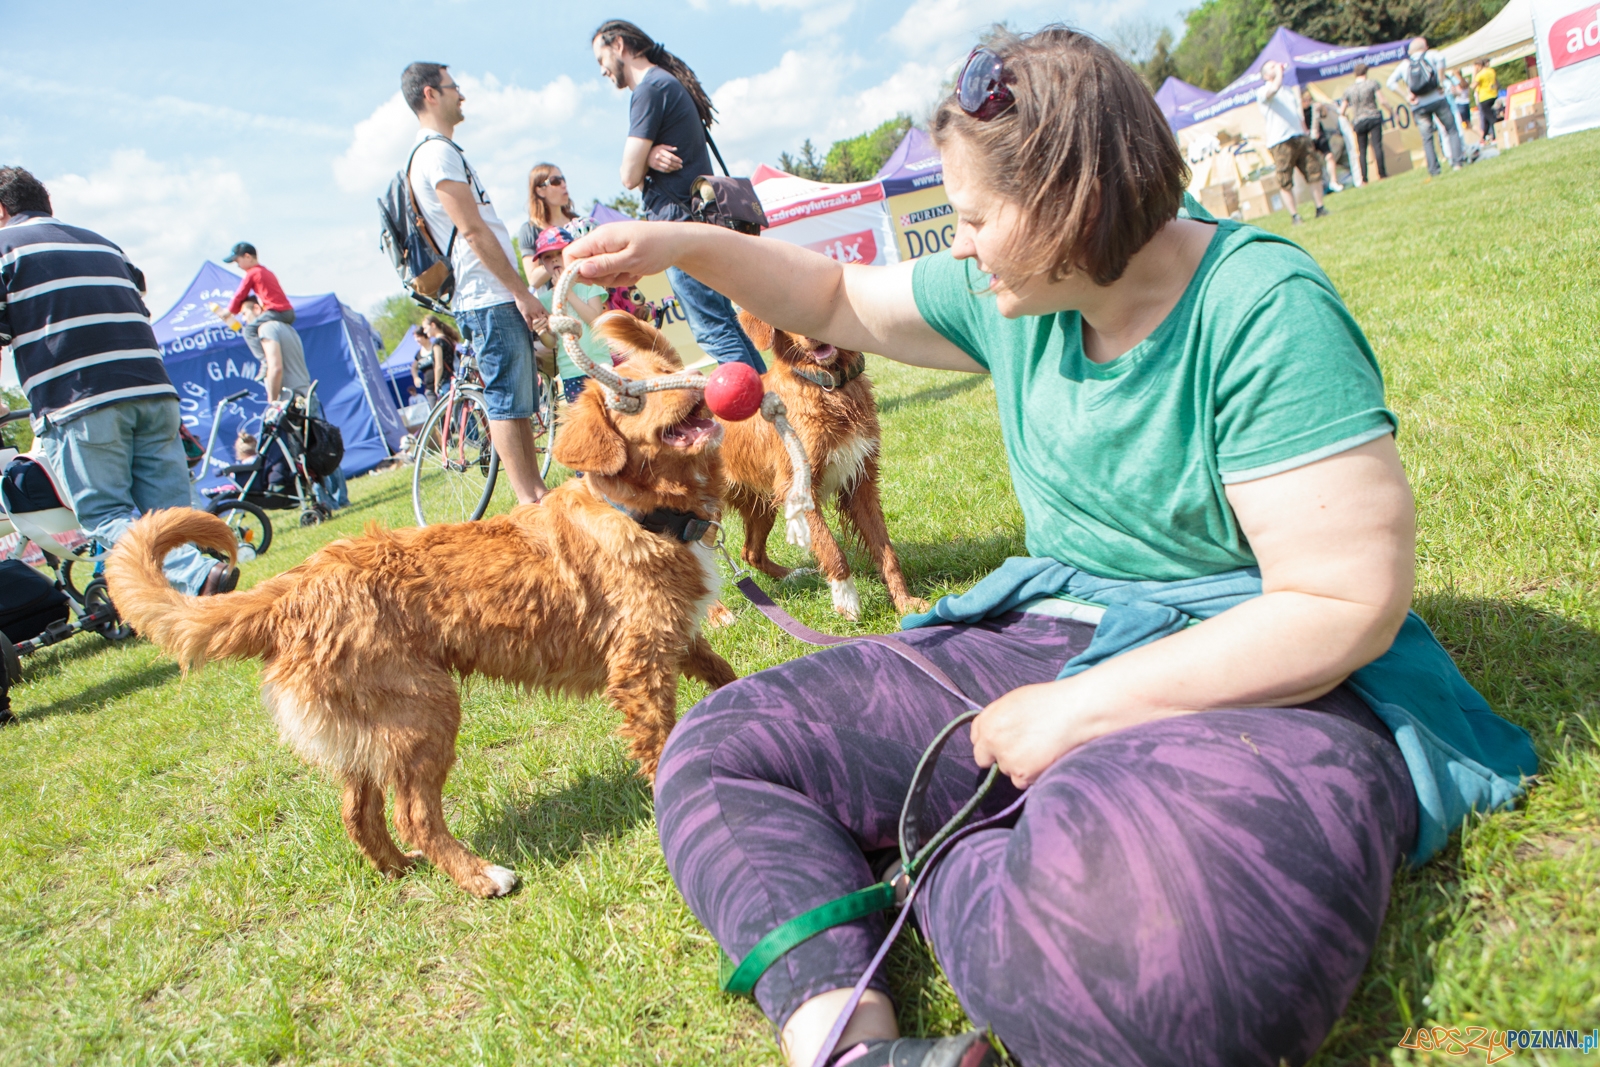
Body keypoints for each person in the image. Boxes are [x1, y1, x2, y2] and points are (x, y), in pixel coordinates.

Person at [564, 26, 1538, 1067]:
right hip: (1049, 629)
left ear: (1068, 202)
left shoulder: (1258, 307)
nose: (962, 245)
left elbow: (1341, 604)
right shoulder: (1017, 297)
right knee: (715, 749)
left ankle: (946, 852)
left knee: (1169, 993)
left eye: (976, 218)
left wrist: (1080, 710)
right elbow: (834, 296)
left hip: (1264, 674)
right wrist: (676, 248)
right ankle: (852, 1046)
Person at [0, 166, 233, 595]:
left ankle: (198, 576)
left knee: (105, 513)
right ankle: (203, 603)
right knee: (168, 513)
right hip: (153, 391)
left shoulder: (5, 249)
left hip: (79, 400)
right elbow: (137, 302)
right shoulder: (104, 244)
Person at [400, 61, 550, 505]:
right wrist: (520, 292)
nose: (461, 95)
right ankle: (529, 497)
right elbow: (472, 230)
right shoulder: (435, 153)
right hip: (486, 293)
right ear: (431, 94)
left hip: (489, 292)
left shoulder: (440, 150)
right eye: (453, 87)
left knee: (518, 397)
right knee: (506, 397)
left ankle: (535, 493)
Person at [590, 19, 765, 372]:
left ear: (619, 45)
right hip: (696, 221)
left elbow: (627, 175)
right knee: (724, 323)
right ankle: (773, 409)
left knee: (713, 330)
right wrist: (650, 156)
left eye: (601, 59)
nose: (602, 71)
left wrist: (645, 159)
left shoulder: (649, 90)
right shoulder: (666, 83)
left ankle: (760, 421)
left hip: (678, 224)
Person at [236, 298, 347, 509]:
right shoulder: (288, 328)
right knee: (324, 448)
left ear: (258, 309)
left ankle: (325, 502)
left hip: (291, 400)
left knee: (305, 456)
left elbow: (275, 366)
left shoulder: (266, 328)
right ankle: (340, 498)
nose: (243, 320)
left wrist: (273, 399)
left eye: (244, 314)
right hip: (306, 393)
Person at [529, 226, 611, 403]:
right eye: (548, 257)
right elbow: (552, 342)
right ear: (543, 264)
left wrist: (568, 293)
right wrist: (542, 331)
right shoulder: (545, 300)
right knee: (585, 426)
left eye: (560, 253)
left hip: (600, 365)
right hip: (571, 371)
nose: (555, 260)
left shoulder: (589, 285)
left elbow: (595, 321)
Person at [1257, 61, 1326, 223]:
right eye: (1272, 67)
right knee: (1285, 179)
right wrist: (1280, 71)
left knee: (1313, 171)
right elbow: (1274, 89)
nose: (1278, 67)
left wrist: (1305, 132)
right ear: (1266, 75)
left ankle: (1320, 208)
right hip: (1280, 141)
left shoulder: (1288, 91)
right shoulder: (1263, 91)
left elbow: (1297, 114)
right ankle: (1295, 216)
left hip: (1299, 137)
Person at [1388, 38, 1463, 176]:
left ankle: (1434, 170)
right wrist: (1440, 82)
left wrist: (1406, 96)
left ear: (1410, 51)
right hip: (1437, 99)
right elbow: (1441, 59)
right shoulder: (1431, 55)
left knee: (1427, 138)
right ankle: (1457, 163)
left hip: (1419, 106)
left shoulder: (1405, 64)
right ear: (1425, 47)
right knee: (1451, 130)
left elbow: (1390, 82)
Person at [222, 242, 297, 368]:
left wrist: (229, 311)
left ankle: (265, 360)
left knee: (249, 331)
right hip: (287, 311)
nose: (238, 266)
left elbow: (241, 293)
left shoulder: (252, 273)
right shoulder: (266, 271)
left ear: (247, 257)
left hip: (277, 311)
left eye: (238, 261)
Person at [517, 163, 586, 290]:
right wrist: (558, 258)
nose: (564, 185)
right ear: (540, 190)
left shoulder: (578, 222)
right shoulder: (530, 230)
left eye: (563, 179)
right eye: (555, 181)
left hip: (588, 298)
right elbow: (533, 279)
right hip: (556, 303)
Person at [1339, 62, 1387, 183]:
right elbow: (1382, 100)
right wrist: (1391, 110)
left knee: (1362, 150)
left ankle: (1364, 178)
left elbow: (1342, 110)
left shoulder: (1349, 90)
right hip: (1373, 116)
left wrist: (1349, 118)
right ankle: (1382, 173)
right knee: (1377, 146)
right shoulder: (1372, 84)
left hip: (1358, 120)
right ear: (1366, 72)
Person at [1301, 86, 1345, 192]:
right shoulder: (1299, 112)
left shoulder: (1314, 107)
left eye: (1309, 99)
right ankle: (1321, 185)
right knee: (1314, 163)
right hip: (1308, 138)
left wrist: (1322, 107)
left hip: (1320, 135)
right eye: (1305, 100)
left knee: (1329, 156)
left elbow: (1324, 114)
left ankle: (1333, 181)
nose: (1308, 102)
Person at [412, 315, 458, 405]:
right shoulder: (447, 339)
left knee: (454, 412)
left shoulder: (437, 343)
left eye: (425, 328)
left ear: (433, 325)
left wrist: (436, 384)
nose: (425, 331)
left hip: (445, 381)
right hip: (453, 378)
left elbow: (438, 366)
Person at [1473, 58, 1500, 142]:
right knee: (1487, 117)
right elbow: (1496, 83)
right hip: (1493, 94)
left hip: (1484, 97)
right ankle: (1484, 137)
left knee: (1490, 117)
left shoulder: (1480, 74)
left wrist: (1474, 73)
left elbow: (1473, 85)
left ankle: (1495, 135)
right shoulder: (1491, 71)